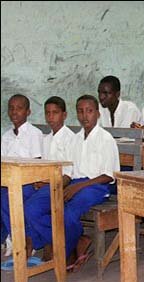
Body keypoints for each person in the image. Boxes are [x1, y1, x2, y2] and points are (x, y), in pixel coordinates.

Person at [24, 95, 120, 272]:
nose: (85, 116)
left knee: (68, 213)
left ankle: (65, 253)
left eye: (89, 111)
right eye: (81, 111)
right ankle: (75, 241)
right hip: (75, 183)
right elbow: (69, 171)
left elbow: (108, 175)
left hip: (96, 186)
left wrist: (77, 187)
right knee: (35, 207)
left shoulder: (106, 139)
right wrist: (59, 186)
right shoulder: (76, 139)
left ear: (97, 114)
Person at [23, 96, 75, 261]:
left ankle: (55, 241)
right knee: (21, 197)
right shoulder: (46, 139)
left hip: (62, 184)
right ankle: (47, 240)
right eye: (48, 113)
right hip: (45, 184)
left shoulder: (71, 139)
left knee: (31, 208)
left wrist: (49, 183)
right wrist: (39, 181)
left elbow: (69, 172)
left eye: (55, 113)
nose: (51, 117)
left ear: (64, 115)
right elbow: (42, 167)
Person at [1, 94, 43, 255]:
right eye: (11, 108)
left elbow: (37, 165)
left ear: (28, 112)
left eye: (19, 108)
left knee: (7, 198)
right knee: (5, 195)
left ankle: (23, 240)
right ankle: (12, 236)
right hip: (9, 182)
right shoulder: (6, 136)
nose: (14, 112)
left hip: (30, 183)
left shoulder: (34, 134)